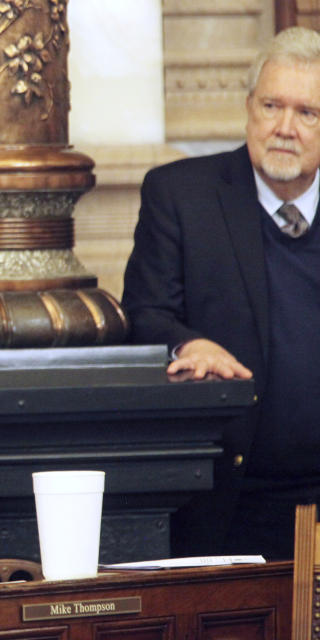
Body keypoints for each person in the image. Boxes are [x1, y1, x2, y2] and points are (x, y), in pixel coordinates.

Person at [122, 26, 320, 559]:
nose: (284, 128)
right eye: (271, 105)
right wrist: (188, 344)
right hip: (229, 499)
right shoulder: (181, 195)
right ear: (249, 107)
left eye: (307, 113)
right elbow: (144, 312)